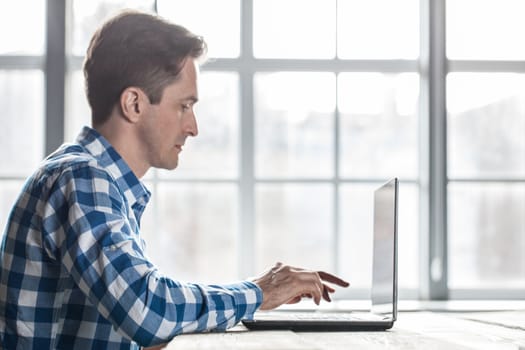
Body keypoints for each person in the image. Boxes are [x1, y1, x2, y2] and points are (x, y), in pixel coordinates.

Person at [0, 11, 349, 350]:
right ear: (134, 103)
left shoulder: (97, 182)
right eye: (184, 106)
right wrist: (259, 293)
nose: (193, 127)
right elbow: (148, 310)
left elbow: (133, 322)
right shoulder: (81, 179)